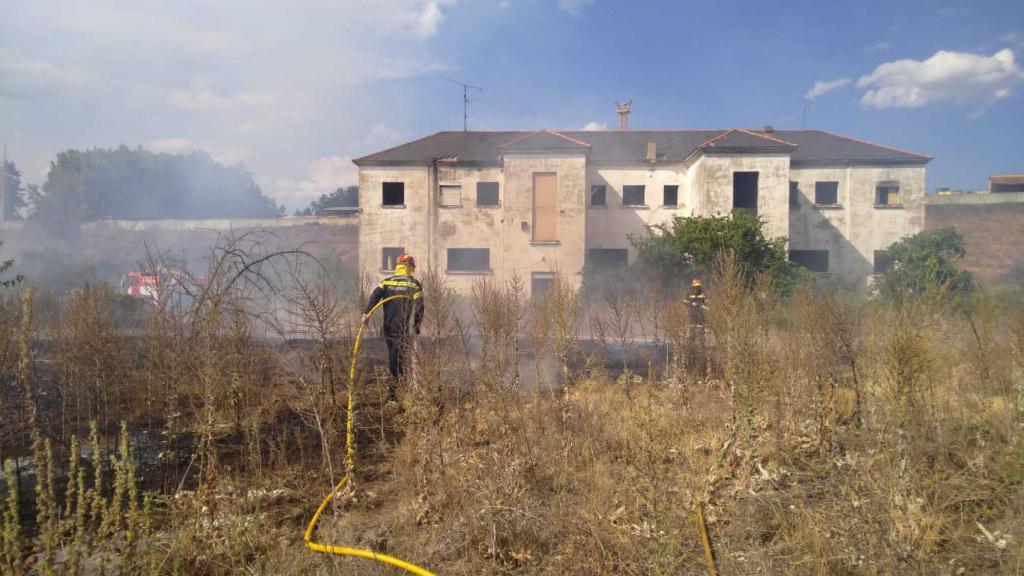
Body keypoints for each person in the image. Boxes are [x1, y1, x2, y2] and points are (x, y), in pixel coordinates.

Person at [362, 253, 424, 402]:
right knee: (398, 358)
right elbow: (420, 307)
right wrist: (416, 326)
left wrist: (366, 314)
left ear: (398, 267)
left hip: (388, 327)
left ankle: (398, 389)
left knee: (394, 357)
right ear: (409, 267)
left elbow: (374, 296)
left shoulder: (386, 282)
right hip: (402, 328)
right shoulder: (414, 284)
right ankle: (397, 391)